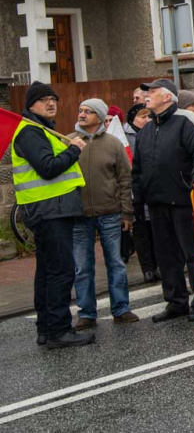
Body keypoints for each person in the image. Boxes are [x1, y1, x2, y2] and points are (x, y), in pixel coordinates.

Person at [13, 83, 94, 348]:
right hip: (48, 211)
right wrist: (74, 150)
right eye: (44, 100)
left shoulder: (41, 131)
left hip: (49, 210)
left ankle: (46, 329)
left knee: (48, 271)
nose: (51, 103)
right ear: (31, 105)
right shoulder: (31, 132)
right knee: (60, 271)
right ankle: (59, 330)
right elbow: (48, 168)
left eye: (53, 99)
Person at [132, 78, 194, 323]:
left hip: (182, 200)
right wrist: (138, 198)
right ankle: (175, 302)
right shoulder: (147, 129)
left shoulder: (185, 120)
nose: (147, 95)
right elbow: (138, 167)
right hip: (156, 202)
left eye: (153, 91)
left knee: (192, 255)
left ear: (167, 96)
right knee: (167, 257)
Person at [71, 99, 139, 329]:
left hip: (110, 213)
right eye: (80, 110)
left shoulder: (113, 144)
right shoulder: (70, 141)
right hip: (79, 216)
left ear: (99, 117)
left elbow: (124, 179)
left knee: (116, 263)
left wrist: (127, 213)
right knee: (82, 266)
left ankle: (121, 308)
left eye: (88, 111)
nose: (82, 114)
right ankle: (87, 313)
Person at [124, 104, 159, 283]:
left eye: (149, 117)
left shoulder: (155, 132)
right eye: (142, 117)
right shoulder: (125, 137)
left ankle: (157, 265)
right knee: (141, 231)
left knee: (156, 230)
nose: (146, 121)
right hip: (135, 192)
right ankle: (147, 268)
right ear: (132, 119)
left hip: (153, 189)